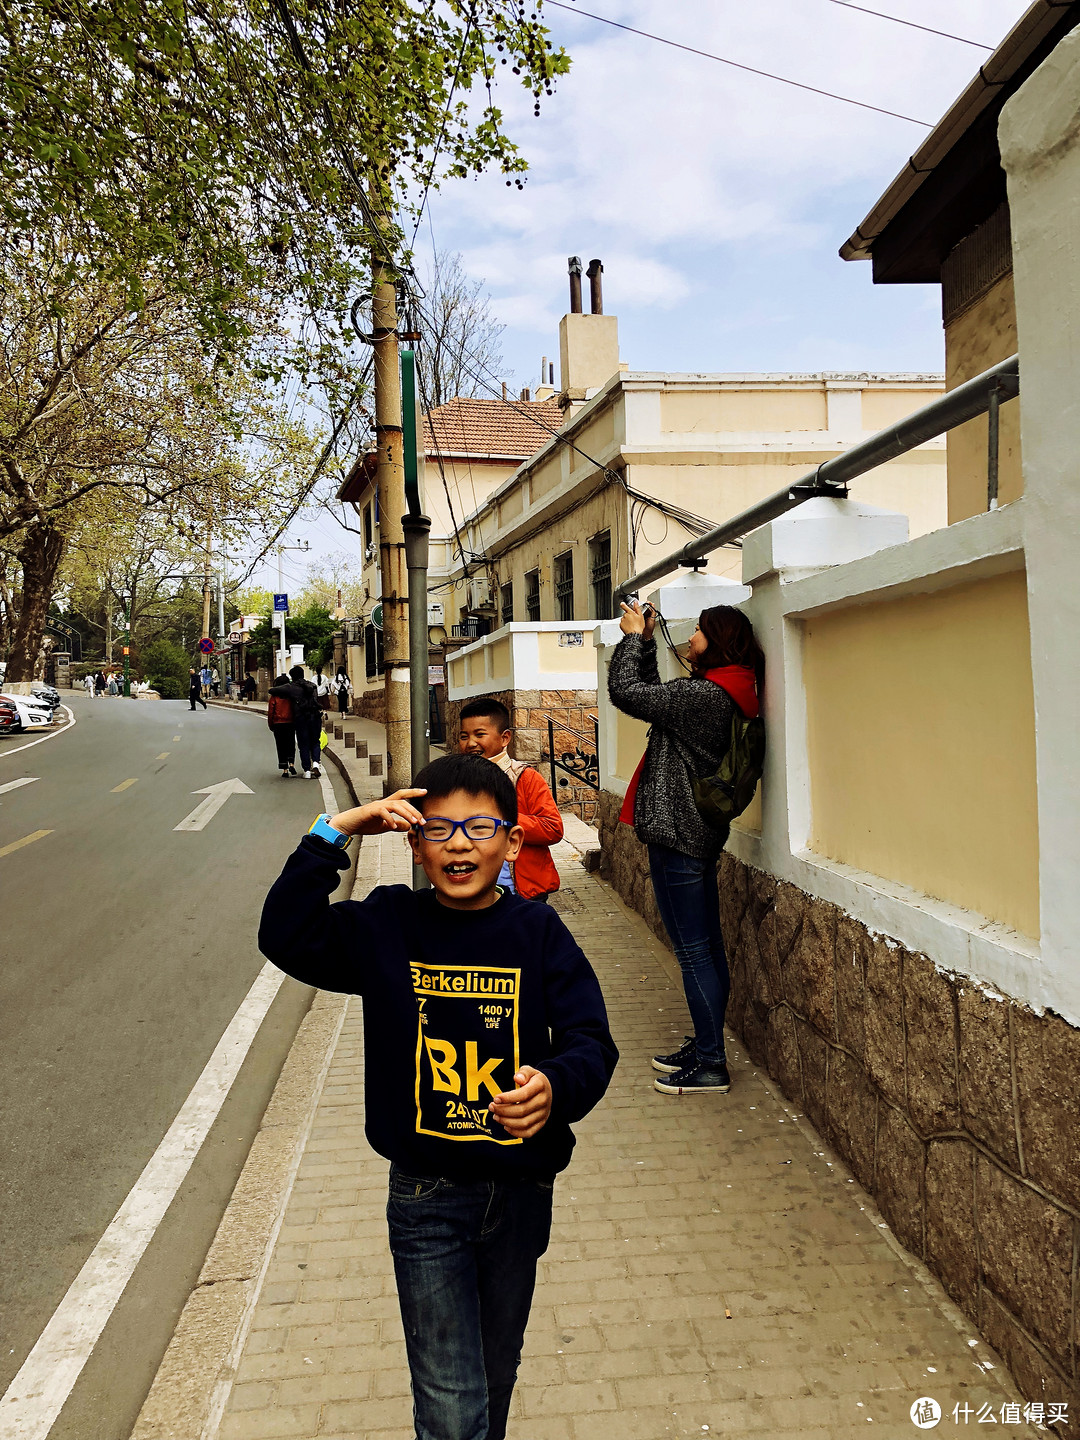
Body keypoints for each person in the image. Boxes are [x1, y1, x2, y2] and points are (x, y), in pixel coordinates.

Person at [258, 752, 618, 1440]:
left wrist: (555, 1086)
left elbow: (590, 1040)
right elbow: (287, 933)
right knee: (451, 1402)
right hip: (426, 1195)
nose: (459, 844)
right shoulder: (387, 923)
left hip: (519, 1190)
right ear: (413, 844)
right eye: (438, 830)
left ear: (513, 842)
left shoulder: (539, 933)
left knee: (493, 1374)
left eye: (481, 828)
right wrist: (336, 830)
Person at [608, 602, 764, 1097]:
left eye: (698, 630)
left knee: (693, 951)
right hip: (692, 832)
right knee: (706, 947)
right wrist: (649, 642)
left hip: (680, 835)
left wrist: (633, 638)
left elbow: (628, 693)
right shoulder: (726, 690)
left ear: (716, 639)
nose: (691, 636)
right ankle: (704, 1044)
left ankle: (712, 1062)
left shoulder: (705, 697)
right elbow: (656, 699)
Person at [457, 698, 563, 903]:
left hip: (523, 892)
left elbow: (553, 828)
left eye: (480, 734)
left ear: (505, 738)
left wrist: (501, 818)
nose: (470, 743)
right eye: (464, 736)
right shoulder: (456, 779)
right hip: (474, 889)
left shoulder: (524, 777)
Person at [269, 665, 323, 778]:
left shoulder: (291, 687)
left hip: (301, 718)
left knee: (303, 744)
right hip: (315, 717)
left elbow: (272, 690)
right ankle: (316, 764)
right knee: (315, 741)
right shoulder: (312, 686)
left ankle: (307, 771)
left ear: (292, 677)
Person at [267, 676, 297, 776]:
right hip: (290, 722)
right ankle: (292, 764)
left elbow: (271, 712)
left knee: (281, 746)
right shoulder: (291, 696)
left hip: (278, 724)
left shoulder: (274, 697)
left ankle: (285, 770)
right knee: (291, 743)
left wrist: (271, 724)